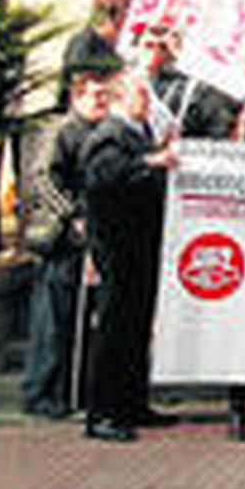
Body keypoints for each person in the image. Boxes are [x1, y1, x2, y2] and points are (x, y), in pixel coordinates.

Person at [79, 68, 179, 442]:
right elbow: (105, 179)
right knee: (114, 328)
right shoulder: (109, 135)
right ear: (120, 98)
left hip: (140, 245)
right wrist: (151, 163)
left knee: (136, 327)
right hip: (118, 246)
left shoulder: (139, 135)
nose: (147, 102)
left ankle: (132, 402)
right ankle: (103, 412)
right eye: (140, 95)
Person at [22, 45, 118, 419]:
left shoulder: (96, 132)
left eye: (106, 96)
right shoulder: (62, 131)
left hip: (88, 238)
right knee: (53, 321)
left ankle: (68, 394)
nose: (102, 101)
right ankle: (42, 395)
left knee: (77, 320)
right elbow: (43, 179)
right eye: (96, 95)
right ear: (77, 95)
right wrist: (72, 215)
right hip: (61, 241)